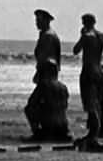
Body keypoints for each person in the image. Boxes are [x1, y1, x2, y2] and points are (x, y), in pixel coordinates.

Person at [25, 9, 71, 141]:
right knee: (46, 105)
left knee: (33, 106)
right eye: (36, 20)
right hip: (48, 75)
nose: (36, 23)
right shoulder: (46, 35)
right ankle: (48, 131)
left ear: (46, 20)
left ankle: (40, 132)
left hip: (47, 76)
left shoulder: (48, 36)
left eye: (39, 20)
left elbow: (46, 59)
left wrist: (40, 73)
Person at [72, 13, 103, 140]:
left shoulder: (86, 36)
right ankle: (95, 130)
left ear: (85, 23)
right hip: (99, 71)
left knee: (90, 103)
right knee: (97, 103)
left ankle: (94, 131)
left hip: (88, 71)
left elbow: (75, 50)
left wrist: (81, 35)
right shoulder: (102, 36)